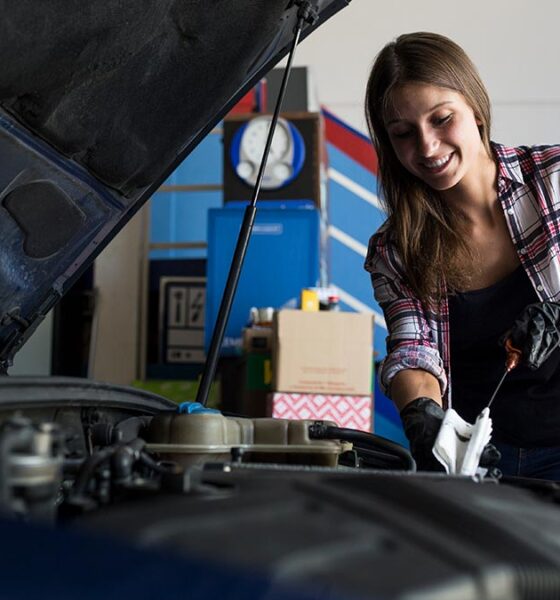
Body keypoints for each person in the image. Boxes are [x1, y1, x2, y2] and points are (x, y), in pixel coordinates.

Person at [363, 32, 560, 479]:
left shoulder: (553, 180)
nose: (428, 147)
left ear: (474, 105)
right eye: (403, 134)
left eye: (442, 119)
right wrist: (422, 414)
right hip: (482, 461)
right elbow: (413, 349)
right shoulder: (396, 249)